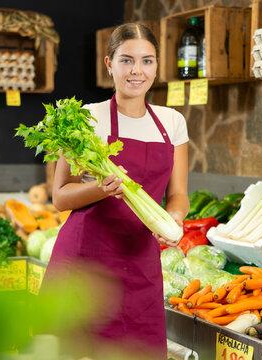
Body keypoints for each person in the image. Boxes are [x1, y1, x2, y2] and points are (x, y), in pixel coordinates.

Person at [45, 23, 189, 358]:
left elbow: (178, 193)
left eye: (147, 61)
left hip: (140, 263)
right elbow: (61, 197)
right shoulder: (86, 119)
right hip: (84, 263)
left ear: (157, 65)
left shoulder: (172, 122)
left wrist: (176, 220)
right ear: (109, 64)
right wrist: (101, 188)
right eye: (126, 60)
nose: (137, 71)